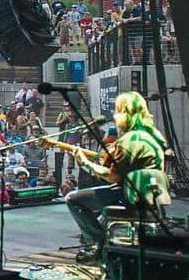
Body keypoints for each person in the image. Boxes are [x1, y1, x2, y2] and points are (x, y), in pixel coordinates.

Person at [58, 92, 169, 261]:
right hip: (149, 198)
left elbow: (112, 176)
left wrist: (84, 162)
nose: (115, 117)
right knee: (99, 215)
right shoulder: (153, 136)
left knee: (73, 199)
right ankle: (105, 243)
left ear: (124, 113)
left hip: (129, 197)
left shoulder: (130, 139)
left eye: (117, 111)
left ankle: (98, 245)